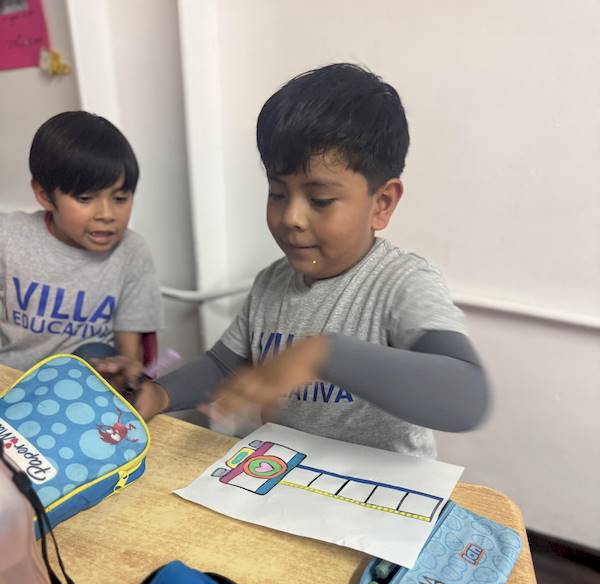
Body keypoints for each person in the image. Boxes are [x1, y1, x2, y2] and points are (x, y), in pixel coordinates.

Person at [99, 63, 489, 457]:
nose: (291, 217)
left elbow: (467, 395)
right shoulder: (271, 283)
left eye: (320, 199)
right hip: (284, 474)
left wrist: (324, 354)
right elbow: (224, 365)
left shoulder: (402, 283)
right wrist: (159, 393)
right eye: (278, 193)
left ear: (382, 204)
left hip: (381, 488)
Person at [0, 111, 162, 372]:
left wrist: (127, 372)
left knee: (97, 353)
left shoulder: (132, 251)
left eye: (120, 198)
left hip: (80, 384)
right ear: (44, 195)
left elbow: (130, 357)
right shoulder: (8, 236)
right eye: (85, 198)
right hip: (11, 377)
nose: (107, 215)